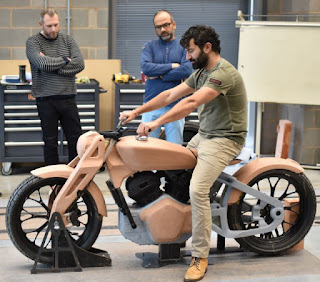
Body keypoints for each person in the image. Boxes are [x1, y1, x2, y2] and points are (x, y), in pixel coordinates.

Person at [120, 25, 248, 281]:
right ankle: (176, 226)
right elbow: (170, 94)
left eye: (190, 51)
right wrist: (137, 112)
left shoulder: (223, 73)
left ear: (207, 48)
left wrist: (156, 124)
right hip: (205, 135)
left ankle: (200, 256)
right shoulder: (200, 71)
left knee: (198, 190)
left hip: (225, 139)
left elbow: (189, 103)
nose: (187, 57)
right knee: (174, 167)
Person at [26, 9, 84, 165]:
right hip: (45, 99)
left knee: (76, 139)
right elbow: (41, 63)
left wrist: (51, 64)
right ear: (41, 24)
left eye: (56, 25)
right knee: (50, 142)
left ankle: (75, 177)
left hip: (68, 98)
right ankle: (52, 181)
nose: (53, 29)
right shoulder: (33, 42)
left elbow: (79, 64)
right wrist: (66, 59)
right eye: (49, 26)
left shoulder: (68, 40)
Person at [140, 10, 192, 144]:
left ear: (174, 25)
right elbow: (146, 68)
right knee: (147, 147)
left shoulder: (183, 47)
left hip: (175, 105)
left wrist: (159, 76)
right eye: (158, 27)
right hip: (151, 104)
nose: (163, 29)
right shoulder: (149, 46)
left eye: (166, 25)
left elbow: (186, 70)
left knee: (174, 147)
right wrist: (172, 66)